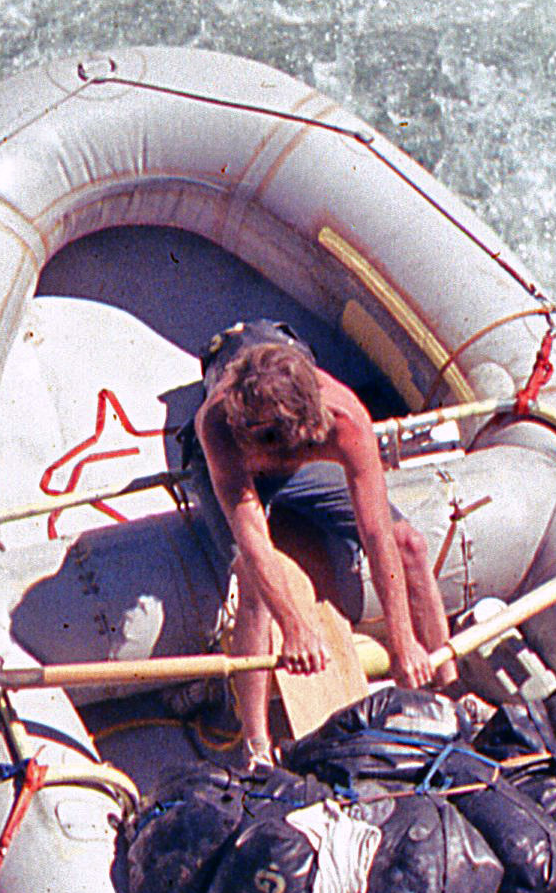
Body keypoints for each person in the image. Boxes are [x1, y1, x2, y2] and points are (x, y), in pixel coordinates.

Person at [189, 323, 453, 764]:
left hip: (302, 458)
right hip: (236, 470)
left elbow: (377, 533)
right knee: (252, 578)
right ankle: (256, 746)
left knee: (409, 543)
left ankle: (447, 687)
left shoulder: (344, 419)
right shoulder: (219, 422)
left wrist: (403, 640)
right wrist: (295, 626)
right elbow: (254, 542)